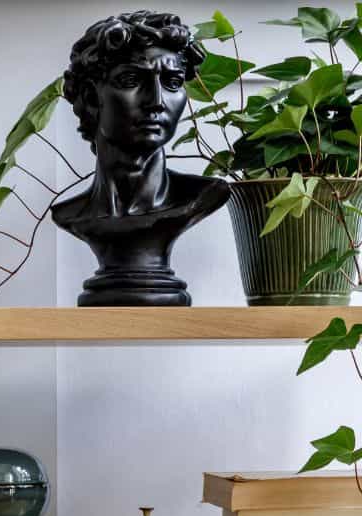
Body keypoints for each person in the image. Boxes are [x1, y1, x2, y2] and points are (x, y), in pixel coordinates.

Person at [52, 10, 230, 306]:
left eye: (172, 82)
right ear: (91, 97)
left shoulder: (203, 196)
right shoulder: (71, 213)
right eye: (131, 79)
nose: (157, 101)